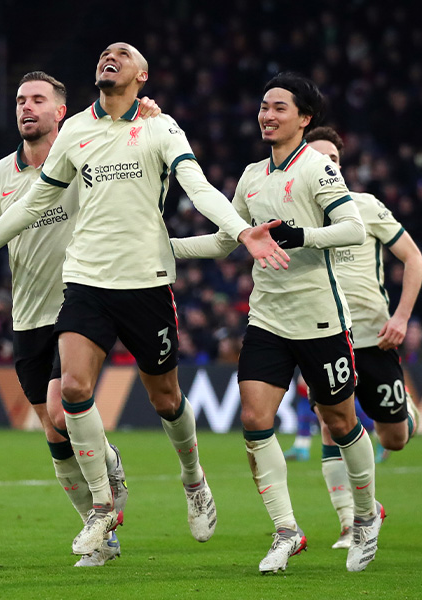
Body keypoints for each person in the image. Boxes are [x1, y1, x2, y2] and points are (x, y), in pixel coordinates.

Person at [0, 43, 288, 559]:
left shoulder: (161, 128)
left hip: (145, 282)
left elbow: (199, 186)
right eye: (104, 53)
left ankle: (193, 478)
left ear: (142, 74)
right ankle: (102, 508)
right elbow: (33, 201)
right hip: (85, 282)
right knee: (70, 392)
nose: (109, 56)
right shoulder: (76, 131)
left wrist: (241, 229)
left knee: (166, 399)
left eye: (122, 53)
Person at [0, 71, 166, 566]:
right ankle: (103, 532)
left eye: (37, 100)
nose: (26, 107)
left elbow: (129, 144)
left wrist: (146, 116)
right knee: (52, 429)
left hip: (81, 303)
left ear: (60, 112)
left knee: (59, 404)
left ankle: (105, 492)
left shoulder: (85, 157)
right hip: (27, 313)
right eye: (20, 100)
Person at [171, 73, 382, 574]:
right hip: (267, 318)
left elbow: (353, 230)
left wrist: (299, 235)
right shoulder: (251, 176)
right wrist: (163, 247)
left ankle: (365, 516)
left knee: (340, 422)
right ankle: (287, 530)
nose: (267, 115)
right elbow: (225, 241)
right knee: (254, 419)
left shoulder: (317, 168)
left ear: (304, 118)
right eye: (264, 106)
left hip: (320, 318)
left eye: (279, 108)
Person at [305, 126, 422, 549]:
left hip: (376, 338)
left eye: (334, 160)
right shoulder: (295, 215)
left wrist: (402, 317)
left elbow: (414, 259)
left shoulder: (366, 206)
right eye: (319, 159)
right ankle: (350, 521)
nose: (328, 165)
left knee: (394, 439)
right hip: (323, 336)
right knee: (329, 423)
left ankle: (406, 411)